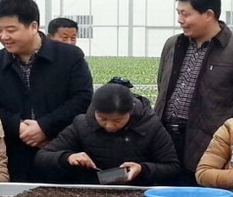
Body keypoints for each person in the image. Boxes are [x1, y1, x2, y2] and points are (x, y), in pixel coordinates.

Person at [154, 0, 233, 185]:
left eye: (186, 14)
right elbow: (162, 86)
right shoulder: (172, 45)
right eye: (178, 13)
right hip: (167, 143)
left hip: (210, 148)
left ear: (208, 15)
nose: (180, 20)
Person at [0, 0, 93, 182]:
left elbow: (82, 99)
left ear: (33, 27)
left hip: (61, 151)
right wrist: (17, 127)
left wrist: (44, 126)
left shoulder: (69, 56)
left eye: (11, 30)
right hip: (14, 154)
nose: (3, 36)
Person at [34, 79, 179, 186]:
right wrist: (68, 157)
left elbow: (172, 167)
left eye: (117, 120)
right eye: (102, 119)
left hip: (137, 193)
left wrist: (142, 169)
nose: (109, 126)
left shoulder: (150, 125)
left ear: (130, 112)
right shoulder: (82, 124)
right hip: (91, 194)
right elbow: (42, 157)